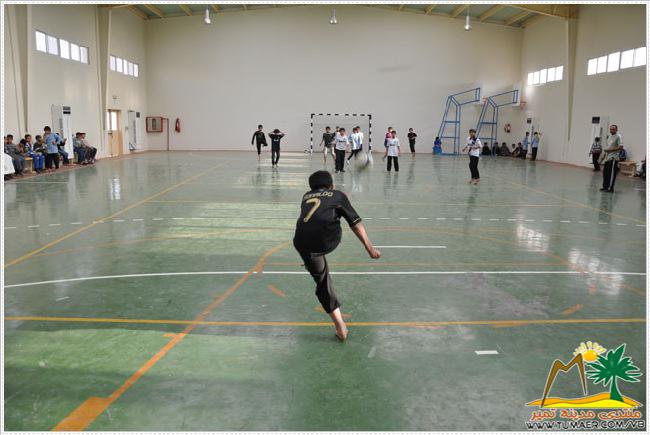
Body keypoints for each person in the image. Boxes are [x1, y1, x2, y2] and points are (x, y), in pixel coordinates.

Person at [293, 170, 381, 341]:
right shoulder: (338, 195)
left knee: (323, 283)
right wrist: (370, 248)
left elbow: (319, 208)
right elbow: (355, 223)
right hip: (328, 241)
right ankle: (315, 257)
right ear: (331, 185)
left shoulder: (306, 196)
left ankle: (340, 327)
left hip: (302, 243)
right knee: (342, 218)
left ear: (311, 187)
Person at [599, 124, 623, 193]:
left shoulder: (618, 136)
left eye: (613, 129)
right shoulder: (609, 136)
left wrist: (610, 150)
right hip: (607, 158)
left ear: (616, 130)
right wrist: (603, 157)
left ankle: (610, 188)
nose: (611, 130)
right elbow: (607, 147)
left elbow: (621, 147)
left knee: (611, 174)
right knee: (605, 173)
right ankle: (605, 187)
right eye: (611, 129)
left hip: (613, 158)